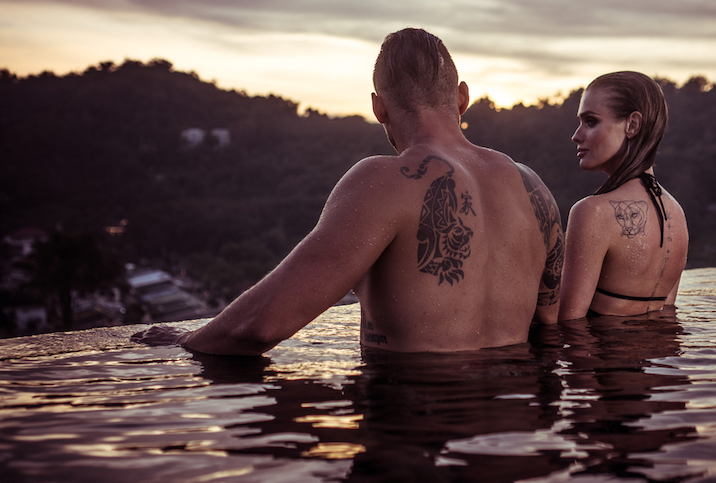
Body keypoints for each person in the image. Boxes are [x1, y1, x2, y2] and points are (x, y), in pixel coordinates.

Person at [133, 28, 563, 355]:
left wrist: (185, 339)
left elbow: (260, 325)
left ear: (378, 107)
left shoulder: (385, 181)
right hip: (515, 438)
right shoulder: (533, 187)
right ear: (463, 97)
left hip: (416, 437)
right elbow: (550, 320)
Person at [558, 71, 688, 321]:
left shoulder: (592, 212)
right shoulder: (676, 215)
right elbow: (666, 317)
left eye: (591, 121)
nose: (576, 135)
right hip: (659, 360)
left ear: (632, 125)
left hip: (600, 358)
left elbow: (568, 324)